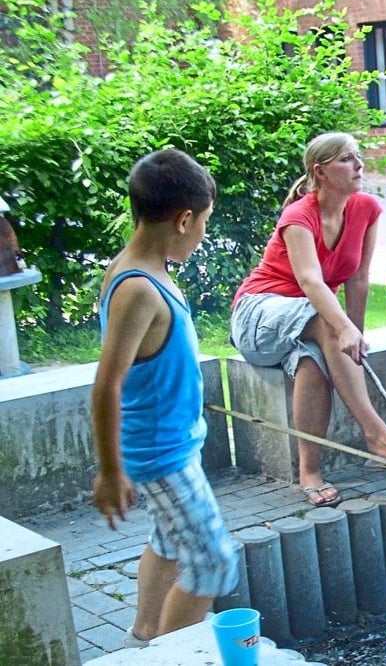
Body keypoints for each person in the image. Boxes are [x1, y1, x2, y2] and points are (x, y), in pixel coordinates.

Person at [231, 132, 386, 507]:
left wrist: (355, 335)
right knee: (328, 325)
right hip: (259, 315)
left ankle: (310, 472)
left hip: (305, 322)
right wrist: (342, 328)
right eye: (346, 159)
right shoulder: (298, 216)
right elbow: (309, 280)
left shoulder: (366, 209)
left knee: (314, 363)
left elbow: (357, 279)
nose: (359, 165)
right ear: (321, 172)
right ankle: (376, 433)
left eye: (358, 156)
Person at [91, 149, 238, 648]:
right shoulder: (139, 288)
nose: (202, 235)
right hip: (161, 455)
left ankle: (144, 635)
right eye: (203, 224)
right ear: (182, 219)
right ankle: (172, 657)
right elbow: (106, 384)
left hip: (170, 443)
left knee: (168, 540)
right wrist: (111, 472)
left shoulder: (141, 268)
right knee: (214, 562)